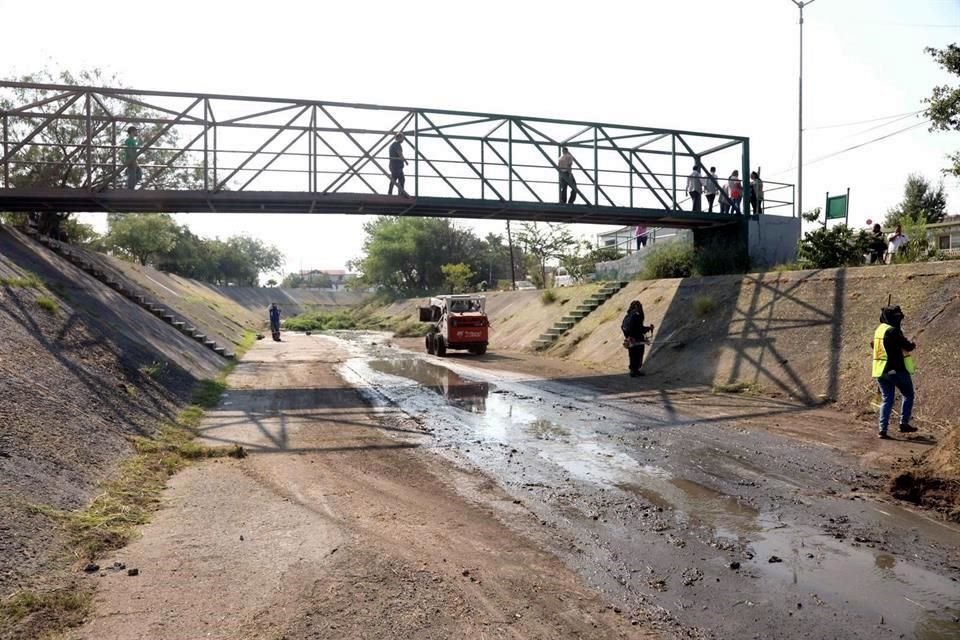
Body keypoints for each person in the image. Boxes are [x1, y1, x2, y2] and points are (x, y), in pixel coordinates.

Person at [872, 305, 918, 439]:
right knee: (908, 394)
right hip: (896, 370)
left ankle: (882, 430)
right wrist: (912, 344)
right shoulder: (893, 331)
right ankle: (903, 424)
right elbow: (908, 346)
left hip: (880, 371)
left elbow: (873, 345)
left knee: (887, 400)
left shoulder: (879, 330)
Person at [621, 300, 654, 377]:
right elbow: (639, 328)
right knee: (638, 354)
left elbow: (623, 327)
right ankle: (635, 370)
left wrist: (628, 337)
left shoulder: (627, 316)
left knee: (632, 354)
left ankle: (633, 370)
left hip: (630, 339)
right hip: (637, 338)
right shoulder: (637, 315)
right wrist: (649, 328)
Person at [388, 133, 410, 197]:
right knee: (400, 179)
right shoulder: (397, 145)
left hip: (394, 165)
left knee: (395, 178)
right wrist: (405, 161)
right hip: (396, 165)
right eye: (402, 138)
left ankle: (391, 193)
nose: (403, 139)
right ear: (399, 138)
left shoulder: (393, 145)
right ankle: (401, 193)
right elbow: (399, 153)